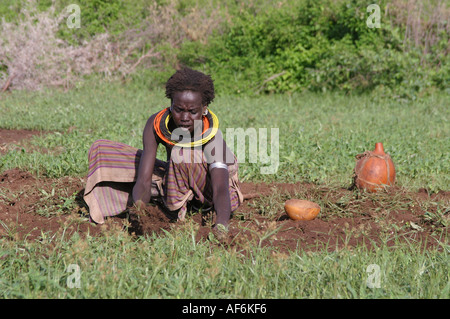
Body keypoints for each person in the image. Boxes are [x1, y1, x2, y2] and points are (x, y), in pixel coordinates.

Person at [83, 67, 243, 236]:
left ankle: (184, 209)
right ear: (171, 104)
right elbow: (144, 178)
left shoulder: (213, 137)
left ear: (204, 109)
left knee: (182, 154)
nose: (185, 117)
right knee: (102, 149)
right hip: (175, 182)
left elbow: (220, 189)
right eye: (179, 109)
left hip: (211, 193)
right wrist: (139, 211)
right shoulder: (156, 124)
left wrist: (221, 225)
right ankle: (150, 204)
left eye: (192, 111)